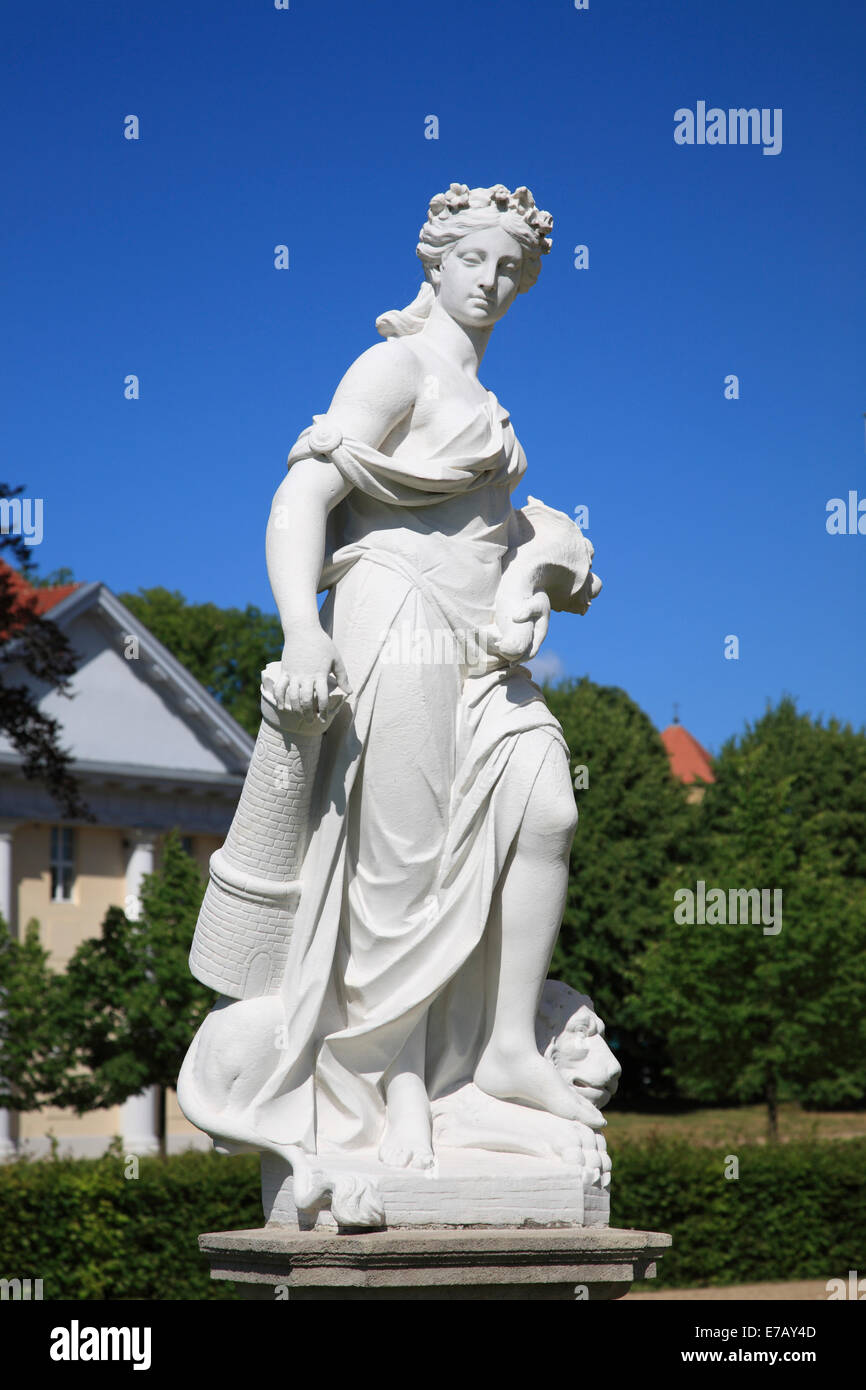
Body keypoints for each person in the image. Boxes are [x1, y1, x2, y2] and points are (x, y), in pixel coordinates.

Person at [250, 183, 598, 1172]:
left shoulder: (485, 400)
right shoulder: (393, 364)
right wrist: (297, 630)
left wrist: (538, 571)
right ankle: (398, 1086)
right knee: (399, 861)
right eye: (473, 260)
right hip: (392, 609)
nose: (489, 280)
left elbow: (502, 531)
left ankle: (504, 1048)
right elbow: (303, 493)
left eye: (508, 269)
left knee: (544, 808)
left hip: (476, 639)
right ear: (433, 261)